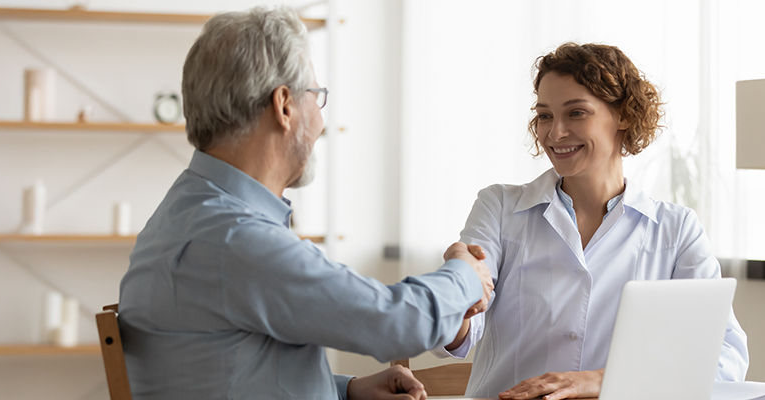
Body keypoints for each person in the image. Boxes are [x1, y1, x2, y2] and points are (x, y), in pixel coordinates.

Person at [118, 6, 494, 400]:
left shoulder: (184, 213)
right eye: (316, 96)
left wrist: (347, 390)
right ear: (284, 106)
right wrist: (466, 274)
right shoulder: (235, 238)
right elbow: (396, 322)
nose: (320, 121)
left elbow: (228, 369)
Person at [432, 42, 750, 400]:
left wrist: (602, 380)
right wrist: (457, 297)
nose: (555, 133)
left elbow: (724, 355)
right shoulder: (500, 207)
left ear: (624, 115)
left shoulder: (677, 230)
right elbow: (458, 335)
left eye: (576, 113)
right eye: (545, 115)